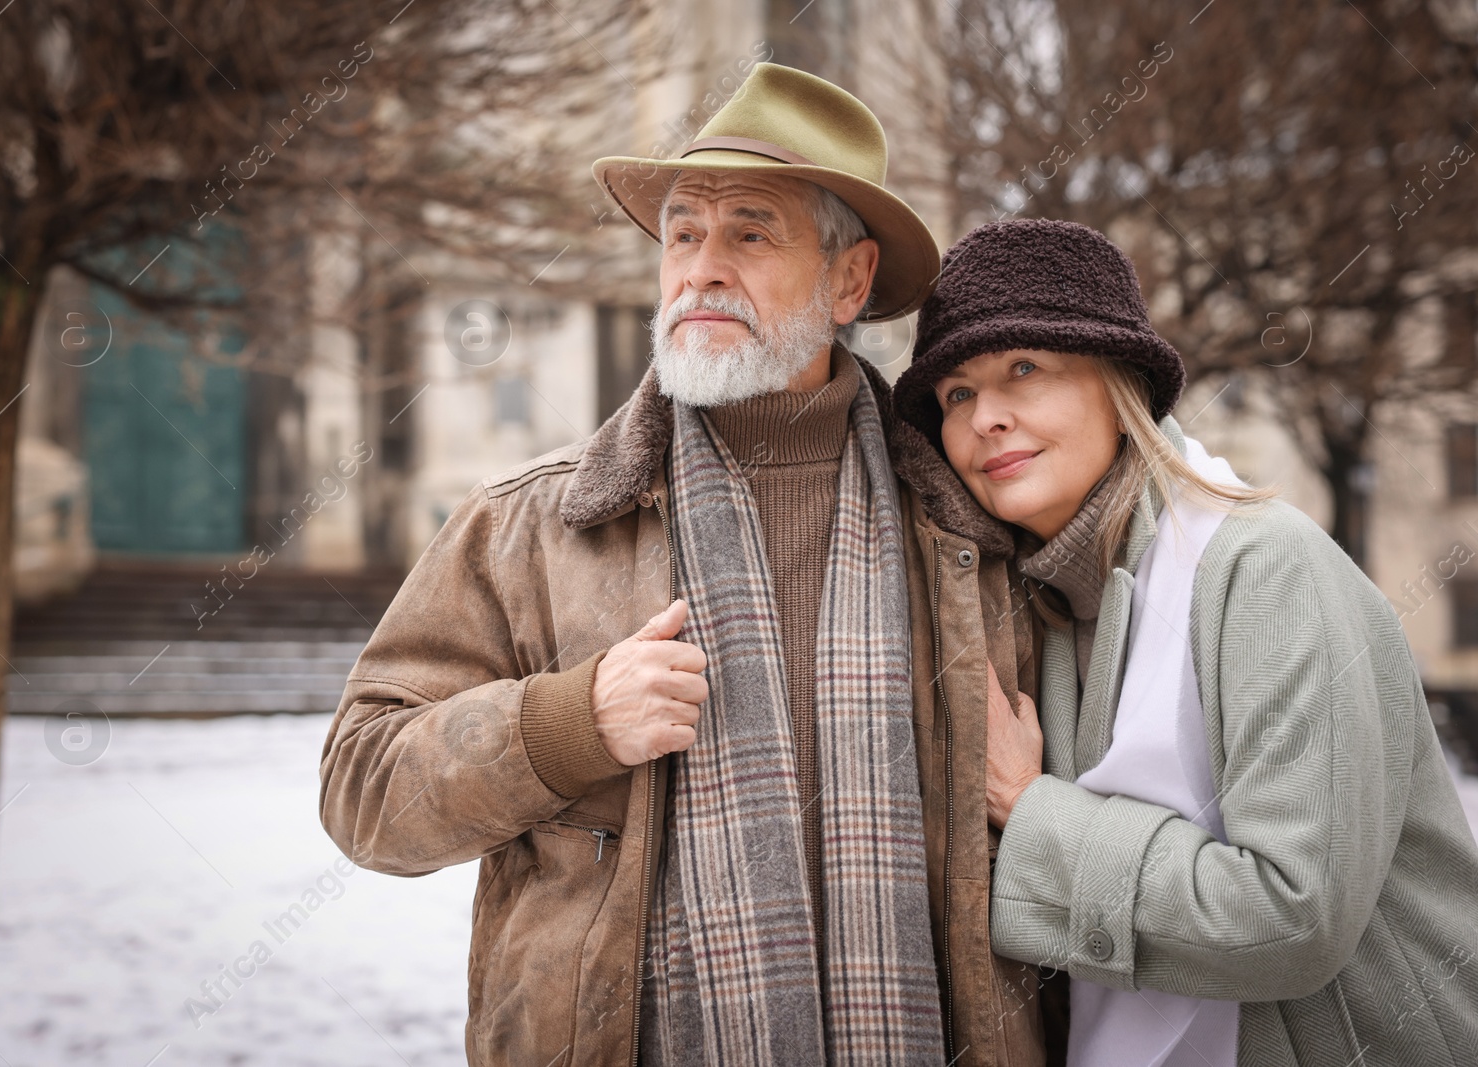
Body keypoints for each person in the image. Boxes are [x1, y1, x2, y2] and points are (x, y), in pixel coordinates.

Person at [320, 64, 1055, 1065]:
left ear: (848, 279)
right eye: (682, 233)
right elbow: (363, 794)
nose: (702, 267)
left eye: (750, 232)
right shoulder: (532, 524)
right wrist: (565, 723)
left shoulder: (971, 534)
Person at [892, 216, 1478, 1066]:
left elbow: (1292, 916)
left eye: (1024, 368)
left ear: (1118, 384)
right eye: (956, 394)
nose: (986, 417)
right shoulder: (1049, 613)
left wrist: (1030, 808)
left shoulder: (1263, 567)